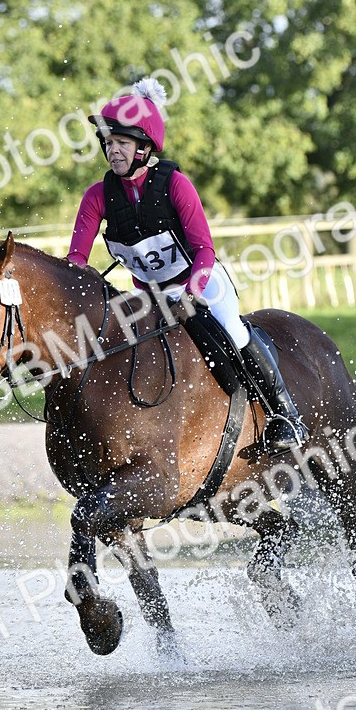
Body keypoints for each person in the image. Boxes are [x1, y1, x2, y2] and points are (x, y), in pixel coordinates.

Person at [67, 78, 308, 451]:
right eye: (108, 143)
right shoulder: (97, 196)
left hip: (200, 282)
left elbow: (204, 250)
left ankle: (285, 416)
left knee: (233, 330)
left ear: (144, 147)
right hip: (148, 296)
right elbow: (76, 261)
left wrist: (192, 293)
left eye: (122, 143)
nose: (112, 150)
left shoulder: (175, 184)